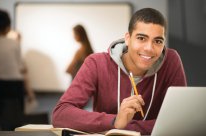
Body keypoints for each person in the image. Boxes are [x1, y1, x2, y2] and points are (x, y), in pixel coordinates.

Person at [52, 8, 187, 135]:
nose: (149, 48)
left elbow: (180, 122)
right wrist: (114, 121)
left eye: (158, 41)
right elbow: (61, 114)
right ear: (128, 38)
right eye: (141, 38)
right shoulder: (96, 63)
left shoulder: (171, 60)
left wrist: (124, 127)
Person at [0, 9, 35, 130]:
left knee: (2, 123)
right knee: (16, 124)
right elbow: (22, 69)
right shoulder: (14, 43)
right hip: (15, 87)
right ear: (8, 25)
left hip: (0, 86)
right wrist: (30, 92)